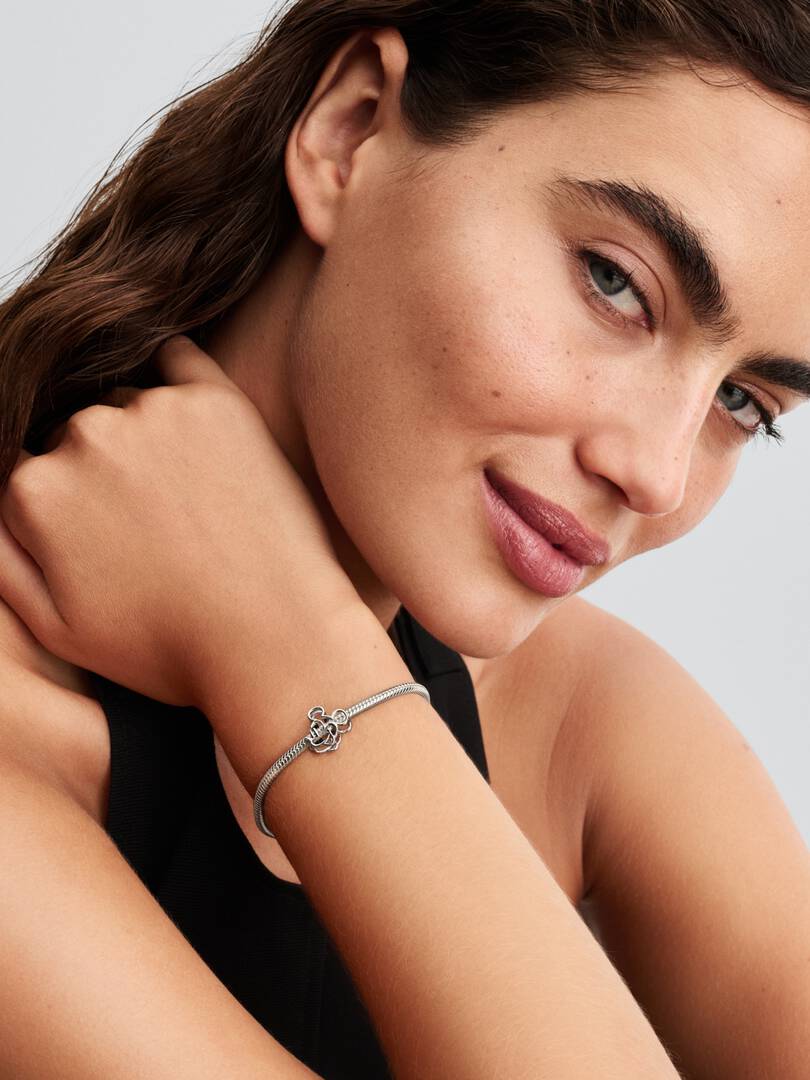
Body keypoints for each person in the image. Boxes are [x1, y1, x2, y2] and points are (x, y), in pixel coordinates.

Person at [1, 1, 809, 1077]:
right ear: (350, 130)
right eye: (615, 282)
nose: (658, 475)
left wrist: (285, 644)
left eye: (744, 404)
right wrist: (295, 651)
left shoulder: (584, 721)